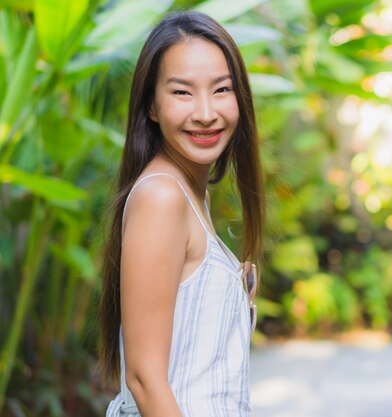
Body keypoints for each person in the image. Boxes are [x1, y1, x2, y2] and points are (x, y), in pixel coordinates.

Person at [99, 11, 265, 417]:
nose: (206, 113)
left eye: (221, 89)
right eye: (182, 92)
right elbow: (144, 379)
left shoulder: (190, 195)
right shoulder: (162, 197)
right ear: (151, 106)